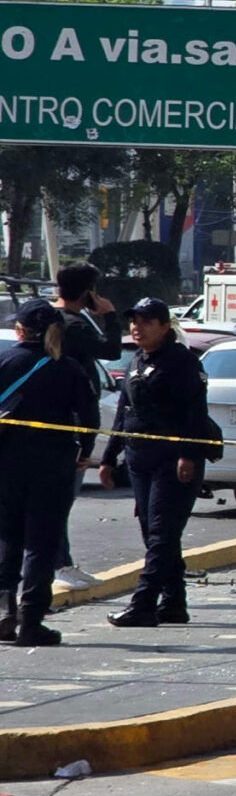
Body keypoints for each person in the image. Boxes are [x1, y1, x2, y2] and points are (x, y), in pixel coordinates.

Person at [109, 298, 221, 630]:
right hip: (139, 456)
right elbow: (124, 410)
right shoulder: (136, 360)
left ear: (163, 326)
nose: (136, 327)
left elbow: (194, 412)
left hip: (174, 460)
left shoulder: (181, 362)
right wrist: (108, 455)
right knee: (154, 533)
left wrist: (188, 454)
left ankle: (143, 604)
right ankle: (173, 602)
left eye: (145, 321)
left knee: (162, 533)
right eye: (133, 321)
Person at [0, 303, 92, 647]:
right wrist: (85, 450)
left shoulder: (5, 361)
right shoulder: (67, 368)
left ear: (21, 330)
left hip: (6, 463)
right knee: (42, 543)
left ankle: (4, 610)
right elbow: (89, 414)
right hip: (53, 467)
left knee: (7, 537)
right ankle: (32, 621)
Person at [49, 263, 115, 588]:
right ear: (88, 291)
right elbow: (113, 350)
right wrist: (110, 314)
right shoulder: (75, 325)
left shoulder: (46, 318)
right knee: (60, 501)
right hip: (70, 425)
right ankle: (59, 564)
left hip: (44, 422)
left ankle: (55, 561)